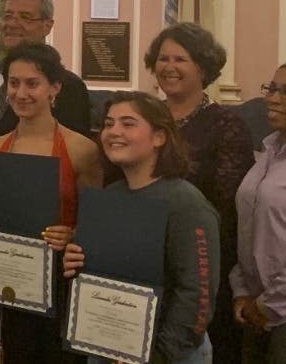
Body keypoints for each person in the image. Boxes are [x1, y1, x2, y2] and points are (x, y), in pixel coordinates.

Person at [0, 42, 102, 363]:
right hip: (5, 278)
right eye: (14, 83)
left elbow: (96, 225)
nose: (21, 93)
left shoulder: (81, 150)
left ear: (55, 88)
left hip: (59, 284)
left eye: (32, 83)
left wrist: (72, 234)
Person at [64, 91, 220, 363]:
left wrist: (161, 354)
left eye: (128, 123)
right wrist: (75, 261)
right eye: (108, 123)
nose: (114, 131)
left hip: (168, 353)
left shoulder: (186, 203)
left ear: (159, 137)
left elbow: (197, 293)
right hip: (108, 345)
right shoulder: (110, 196)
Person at [144, 22, 254, 362]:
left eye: (180, 59)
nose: (169, 67)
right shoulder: (142, 118)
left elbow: (226, 208)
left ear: (203, 68)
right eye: (163, 58)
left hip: (200, 265)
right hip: (143, 259)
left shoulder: (227, 125)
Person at [0, 0, 91, 140]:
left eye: (25, 17)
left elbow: (74, 147)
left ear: (47, 26)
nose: (12, 24)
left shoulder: (68, 86)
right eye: (8, 16)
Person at [230, 66, 286, 362]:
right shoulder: (270, 150)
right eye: (272, 88)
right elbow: (248, 227)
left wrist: (269, 305)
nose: (273, 98)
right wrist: (241, 289)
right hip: (255, 307)